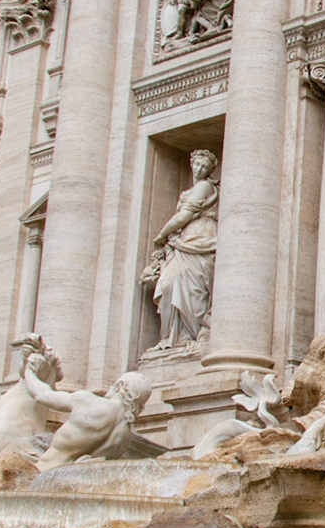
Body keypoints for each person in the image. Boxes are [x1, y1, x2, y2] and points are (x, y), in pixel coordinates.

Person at [143, 150, 218, 349]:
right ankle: (172, 337)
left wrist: (162, 234)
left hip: (201, 237)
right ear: (191, 164)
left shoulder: (205, 186)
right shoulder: (189, 191)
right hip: (182, 241)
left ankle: (190, 334)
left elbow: (185, 215)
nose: (199, 169)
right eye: (197, 164)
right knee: (169, 284)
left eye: (204, 167)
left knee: (195, 289)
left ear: (210, 170)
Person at [23, 360, 152, 470]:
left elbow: (42, 395)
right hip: (67, 482)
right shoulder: (125, 437)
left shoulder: (90, 402)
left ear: (119, 385)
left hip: (43, 472)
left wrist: (29, 371)